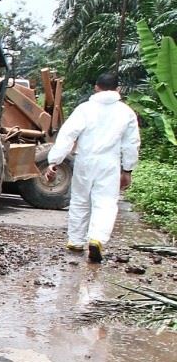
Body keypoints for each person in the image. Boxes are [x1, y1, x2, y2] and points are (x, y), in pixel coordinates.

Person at [44, 72, 141, 264]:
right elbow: (131, 144)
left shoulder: (85, 109)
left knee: (80, 200)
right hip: (110, 163)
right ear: (118, 90)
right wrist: (127, 170)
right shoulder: (126, 112)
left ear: (96, 87)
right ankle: (96, 239)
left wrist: (54, 161)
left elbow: (67, 135)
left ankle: (76, 241)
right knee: (105, 203)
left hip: (85, 160)